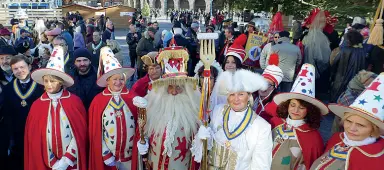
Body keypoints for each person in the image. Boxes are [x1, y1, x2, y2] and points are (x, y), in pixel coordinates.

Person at [191, 69, 273, 169]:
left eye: (241, 94)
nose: (236, 99)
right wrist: (203, 138)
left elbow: (261, 166)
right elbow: (208, 147)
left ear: (249, 96)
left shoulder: (262, 127)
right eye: (232, 94)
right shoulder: (218, 111)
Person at [135, 47, 201, 170]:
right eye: (170, 87)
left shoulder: (194, 114)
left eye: (179, 87)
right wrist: (143, 142)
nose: (174, 92)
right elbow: (143, 131)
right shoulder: (153, 107)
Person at [25, 46, 87, 170]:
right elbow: (36, 138)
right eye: (46, 81)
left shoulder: (74, 102)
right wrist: (53, 162)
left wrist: (67, 159)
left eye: (53, 81)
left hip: (72, 162)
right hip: (46, 162)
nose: (49, 85)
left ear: (61, 82)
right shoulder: (37, 105)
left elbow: (80, 133)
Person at [311, 73, 384, 169]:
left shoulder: (377, 160)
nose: (352, 128)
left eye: (361, 125)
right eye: (348, 121)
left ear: (374, 129)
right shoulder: (336, 138)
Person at [265, 63, 328, 170]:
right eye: (292, 105)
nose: (295, 110)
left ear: (309, 110)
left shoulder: (313, 138)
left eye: (302, 107)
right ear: (287, 105)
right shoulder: (275, 122)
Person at [88, 47, 138, 170]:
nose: (118, 82)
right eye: (114, 79)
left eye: (121, 79)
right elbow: (95, 132)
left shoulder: (133, 98)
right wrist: (105, 154)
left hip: (130, 158)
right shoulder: (98, 101)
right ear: (108, 81)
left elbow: (141, 125)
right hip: (108, 159)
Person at [1, 55, 44, 170]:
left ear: (29, 67)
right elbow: (5, 113)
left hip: (37, 134)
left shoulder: (41, 87)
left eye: (22, 67)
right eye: (15, 69)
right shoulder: (8, 89)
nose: (19, 71)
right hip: (15, 136)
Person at [330, 30, 368, 102]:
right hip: (356, 81)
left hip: (340, 78)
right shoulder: (363, 51)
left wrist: (331, 76)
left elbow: (334, 65)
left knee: (337, 97)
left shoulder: (344, 50)